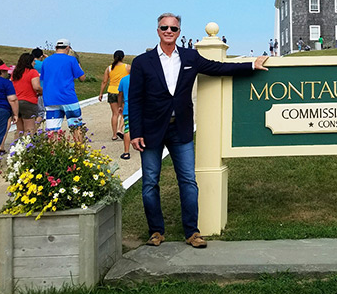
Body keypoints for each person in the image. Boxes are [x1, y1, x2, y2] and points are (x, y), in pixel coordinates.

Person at [128, 13, 268, 248]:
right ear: (158, 30)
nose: (169, 31)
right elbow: (135, 99)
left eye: (173, 28)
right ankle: (156, 231)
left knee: (189, 182)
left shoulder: (191, 56)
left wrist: (250, 65)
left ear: (179, 32)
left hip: (180, 129)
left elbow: (218, 68)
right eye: (164, 27)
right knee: (150, 183)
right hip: (151, 131)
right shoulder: (143, 62)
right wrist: (135, 132)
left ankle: (192, 232)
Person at [41, 39, 87, 141]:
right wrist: (76, 61)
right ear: (68, 48)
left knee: (52, 130)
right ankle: (79, 151)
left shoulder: (46, 61)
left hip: (51, 98)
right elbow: (82, 77)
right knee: (76, 126)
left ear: (55, 48)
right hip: (68, 97)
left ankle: (53, 153)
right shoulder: (71, 60)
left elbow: (44, 78)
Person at [98, 50, 130, 141]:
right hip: (123, 92)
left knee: (115, 114)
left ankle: (114, 134)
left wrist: (101, 93)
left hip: (111, 91)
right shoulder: (127, 67)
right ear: (123, 57)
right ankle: (121, 129)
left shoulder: (109, 68)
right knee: (124, 113)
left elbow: (104, 81)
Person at [11, 52, 42, 136]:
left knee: (19, 129)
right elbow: (36, 87)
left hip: (16, 102)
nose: (35, 63)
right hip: (28, 102)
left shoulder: (15, 73)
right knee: (29, 129)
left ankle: (17, 146)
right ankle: (28, 147)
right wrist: (43, 92)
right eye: (33, 61)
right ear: (30, 62)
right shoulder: (33, 72)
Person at [117, 73, 131, 160]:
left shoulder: (124, 79)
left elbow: (120, 94)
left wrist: (119, 106)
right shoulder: (143, 78)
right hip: (142, 107)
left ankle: (126, 152)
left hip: (128, 107)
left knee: (127, 129)